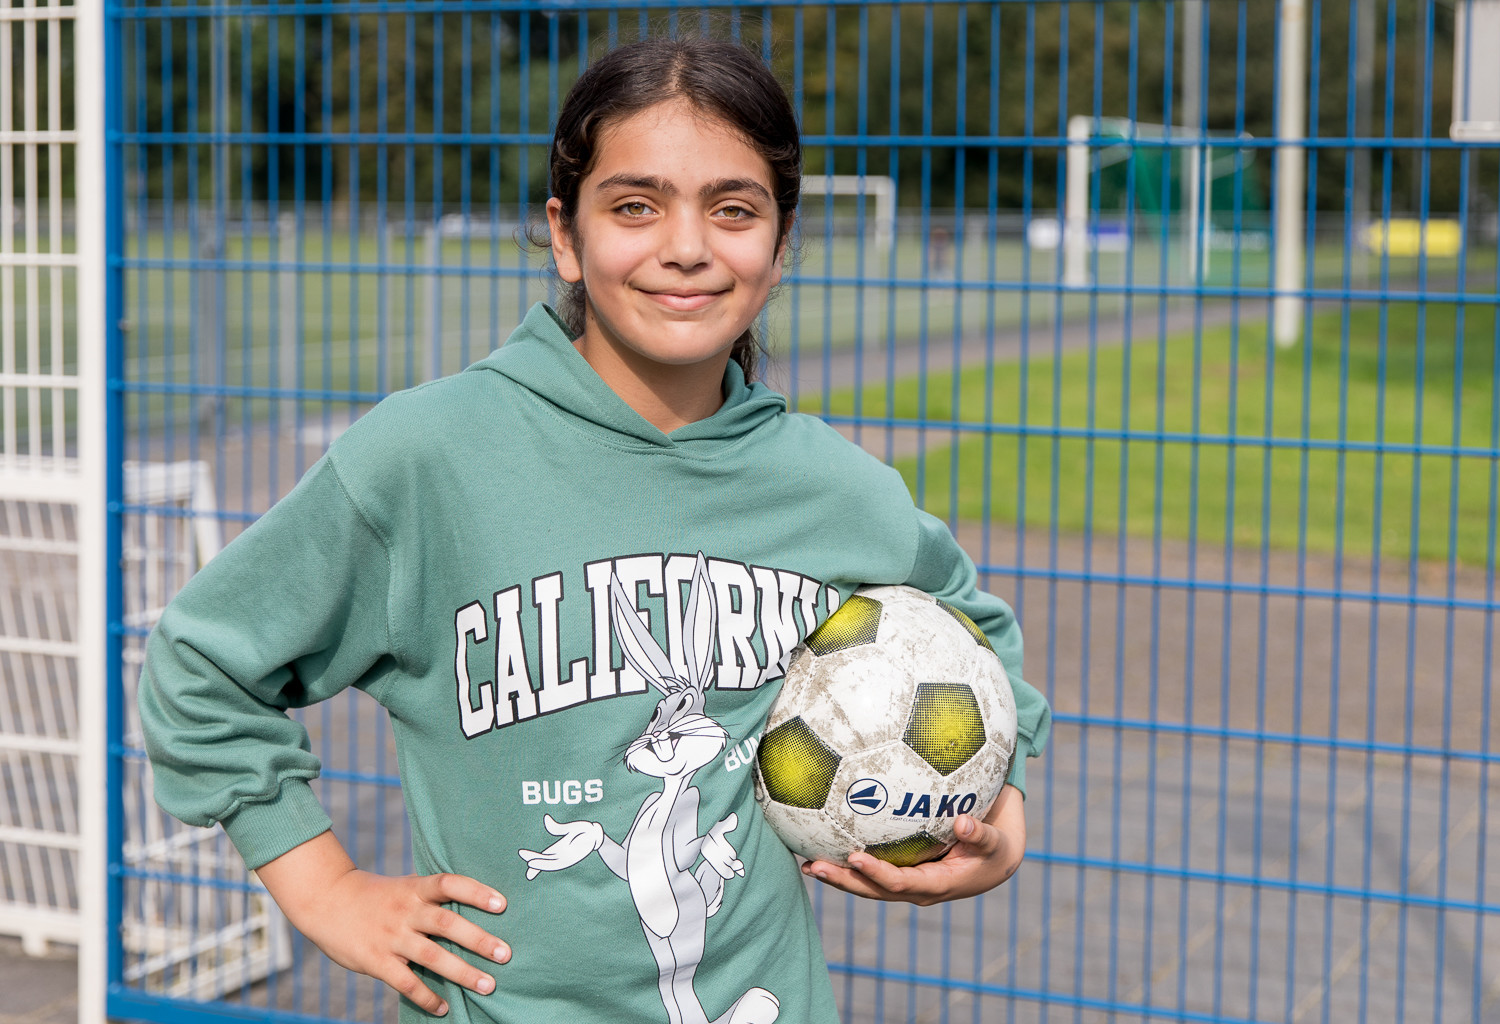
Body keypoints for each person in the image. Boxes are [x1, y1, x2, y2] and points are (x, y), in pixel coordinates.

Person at [138, 35, 1051, 1024]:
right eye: (635, 205)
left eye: (734, 209)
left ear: (781, 247)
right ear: (565, 236)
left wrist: (999, 823)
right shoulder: (430, 457)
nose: (688, 245)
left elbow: (974, 636)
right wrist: (324, 890)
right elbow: (202, 664)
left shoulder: (834, 489)